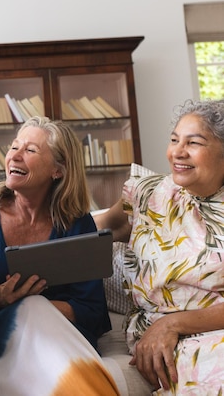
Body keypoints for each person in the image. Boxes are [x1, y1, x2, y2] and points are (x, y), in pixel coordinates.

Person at [0, 116, 119, 395]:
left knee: (33, 307)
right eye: (14, 147)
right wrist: (0, 299)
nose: (15, 156)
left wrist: (24, 300)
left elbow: (92, 312)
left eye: (30, 150)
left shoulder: (77, 223)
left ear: (57, 170)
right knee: (32, 308)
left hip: (59, 336)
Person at [94, 99, 224, 395]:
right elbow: (100, 228)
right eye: (175, 140)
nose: (177, 152)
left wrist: (176, 323)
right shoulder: (150, 193)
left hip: (193, 326)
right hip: (159, 332)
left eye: (194, 143)